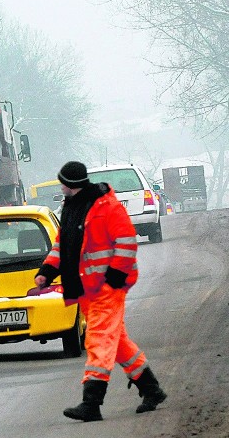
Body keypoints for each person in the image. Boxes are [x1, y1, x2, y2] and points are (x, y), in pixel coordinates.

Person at [34, 161, 167, 422]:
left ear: (71, 185)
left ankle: (91, 403)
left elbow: (127, 240)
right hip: (87, 289)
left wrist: (115, 277)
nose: (61, 186)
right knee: (117, 342)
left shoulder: (106, 206)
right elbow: (63, 245)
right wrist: (46, 272)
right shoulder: (71, 208)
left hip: (107, 287)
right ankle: (151, 389)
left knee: (98, 340)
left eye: (62, 182)